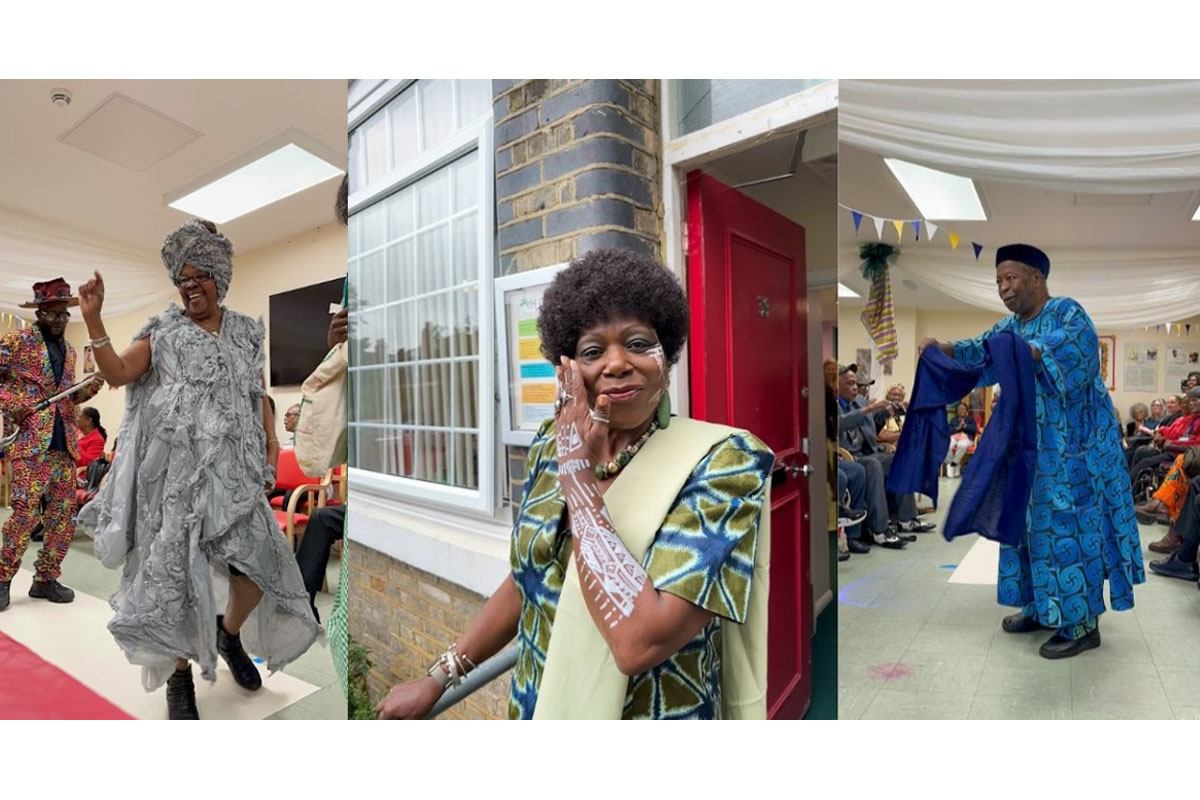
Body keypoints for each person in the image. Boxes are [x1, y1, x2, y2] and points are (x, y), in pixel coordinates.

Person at [376, 249, 774, 720]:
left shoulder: (723, 462)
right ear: (568, 367)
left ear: (666, 358)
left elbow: (637, 641)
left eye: (638, 343)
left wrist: (578, 477)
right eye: (592, 351)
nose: (617, 363)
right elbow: (531, 575)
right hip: (539, 702)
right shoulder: (551, 444)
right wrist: (440, 676)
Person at [76, 219, 321, 719]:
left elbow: (257, 397)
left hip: (236, 478)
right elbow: (120, 372)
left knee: (260, 569)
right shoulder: (163, 333)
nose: (191, 287)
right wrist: (95, 321)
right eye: (182, 279)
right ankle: (180, 677)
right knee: (177, 580)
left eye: (200, 277)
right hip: (177, 484)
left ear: (219, 278)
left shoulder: (248, 335)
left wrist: (272, 448)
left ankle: (227, 636)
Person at [920, 243, 1144, 659]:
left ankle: (1080, 623)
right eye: (998, 281)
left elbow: (1069, 349)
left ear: (1036, 278)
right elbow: (981, 351)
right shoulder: (1010, 328)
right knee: (1025, 527)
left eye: (1010, 278)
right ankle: (1042, 607)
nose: (1003, 288)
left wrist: (1032, 351)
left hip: (1074, 454)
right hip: (1028, 451)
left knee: (1066, 531)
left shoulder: (1067, 313)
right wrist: (943, 349)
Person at [0, 278, 104, 611]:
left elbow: (68, 397)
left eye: (63, 314)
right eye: (52, 313)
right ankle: (2, 579)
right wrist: (12, 403)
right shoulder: (17, 340)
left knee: (62, 518)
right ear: (39, 312)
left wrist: (92, 387)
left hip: (64, 445)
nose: (59, 320)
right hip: (31, 444)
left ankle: (45, 579)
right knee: (24, 515)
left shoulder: (70, 350)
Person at [838, 365, 933, 549]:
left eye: (856, 383)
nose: (856, 388)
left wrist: (893, 411)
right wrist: (870, 409)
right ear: (838, 386)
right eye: (850, 384)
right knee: (873, 465)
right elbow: (842, 423)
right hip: (849, 456)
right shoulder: (832, 404)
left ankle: (906, 519)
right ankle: (879, 530)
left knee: (900, 458)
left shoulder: (859, 401)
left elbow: (872, 425)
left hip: (868, 452)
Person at [944, 401, 979, 477]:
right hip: (954, 438)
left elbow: (975, 429)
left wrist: (965, 426)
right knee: (948, 445)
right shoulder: (954, 420)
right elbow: (948, 430)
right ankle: (952, 464)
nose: (962, 411)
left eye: (963, 409)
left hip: (966, 439)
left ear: (967, 411)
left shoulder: (970, 419)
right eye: (960, 409)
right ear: (957, 411)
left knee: (962, 445)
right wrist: (957, 428)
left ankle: (954, 463)